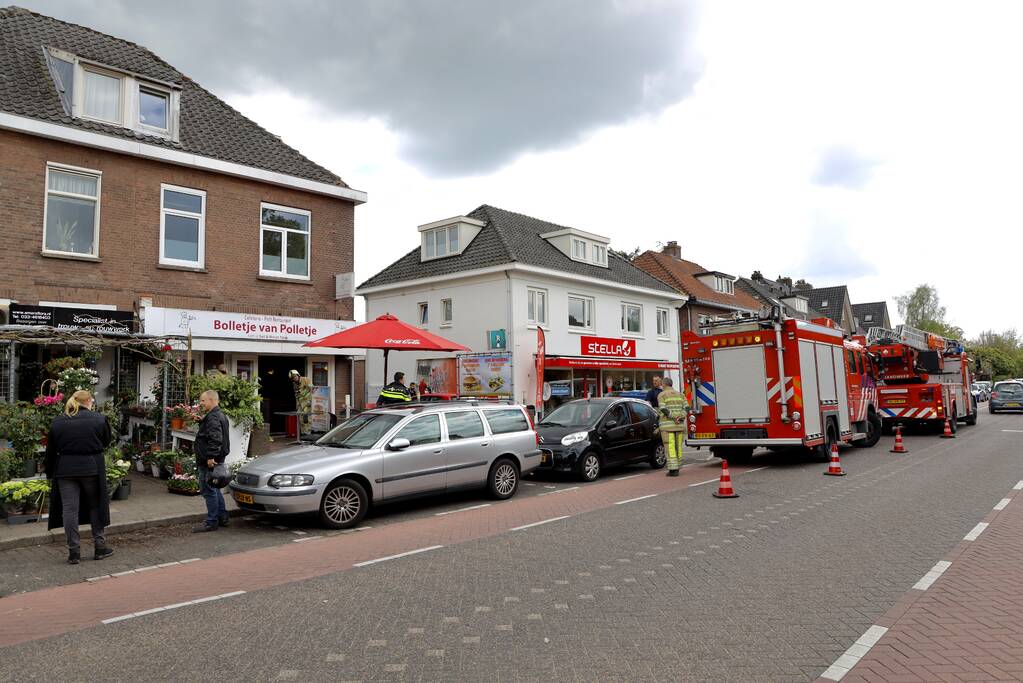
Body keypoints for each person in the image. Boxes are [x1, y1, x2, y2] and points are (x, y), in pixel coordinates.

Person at [44, 390, 113, 565]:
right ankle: (99, 547)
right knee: (95, 506)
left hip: (65, 469)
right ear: (89, 401)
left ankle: (74, 552)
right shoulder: (99, 419)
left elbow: (50, 450)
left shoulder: (58, 421)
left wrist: (49, 472)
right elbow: (106, 442)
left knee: (69, 510)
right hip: (91, 467)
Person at [192, 390, 231, 533]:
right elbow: (213, 433)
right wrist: (201, 421)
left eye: (203, 401)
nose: (201, 403)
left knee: (208, 490)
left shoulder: (214, 417)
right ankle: (222, 517)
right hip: (215, 459)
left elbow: (215, 438)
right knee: (214, 488)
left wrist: (210, 457)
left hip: (209, 460)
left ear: (211, 400)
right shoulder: (216, 415)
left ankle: (211, 522)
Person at [657, 377, 690, 476]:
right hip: (679, 426)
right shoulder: (681, 394)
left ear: (664, 384)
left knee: (670, 447)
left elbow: (663, 409)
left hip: (667, 427)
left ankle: (673, 469)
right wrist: (681, 416)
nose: (661, 386)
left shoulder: (662, 395)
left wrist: (673, 416)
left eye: (662, 384)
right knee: (678, 447)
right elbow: (687, 407)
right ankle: (678, 467)